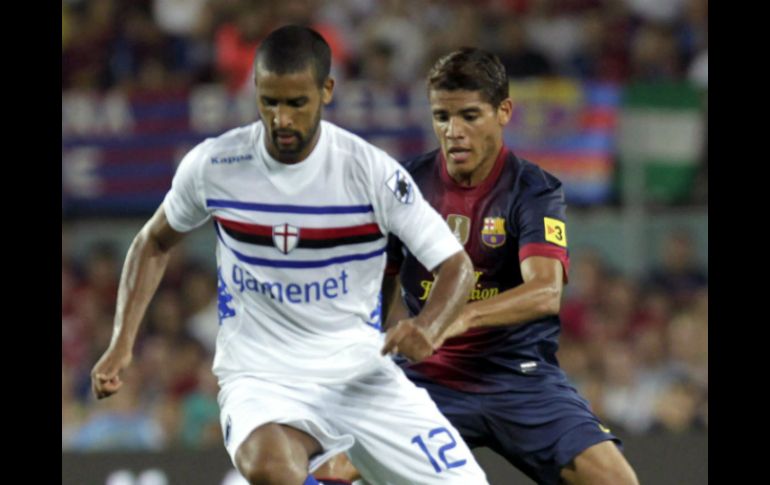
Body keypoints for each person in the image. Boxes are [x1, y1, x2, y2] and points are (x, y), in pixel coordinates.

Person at [90, 26, 490, 485]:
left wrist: (429, 326)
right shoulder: (215, 165)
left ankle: (342, 469)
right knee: (271, 466)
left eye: (296, 103)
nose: (281, 119)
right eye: (269, 102)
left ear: (326, 91)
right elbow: (152, 242)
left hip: (360, 375)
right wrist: (122, 342)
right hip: (261, 376)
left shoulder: (370, 172)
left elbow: (456, 264)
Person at [317, 48, 639, 485]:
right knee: (332, 470)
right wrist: (359, 346)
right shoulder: (403, 185)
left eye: (470, 116)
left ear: (504, 111)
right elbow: (381, 279)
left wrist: (456, 315)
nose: (454, 132)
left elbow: (545, 292)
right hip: (428, 377)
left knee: (616, 481)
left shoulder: (534, 190)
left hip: (520, 377)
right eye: (442, 117)